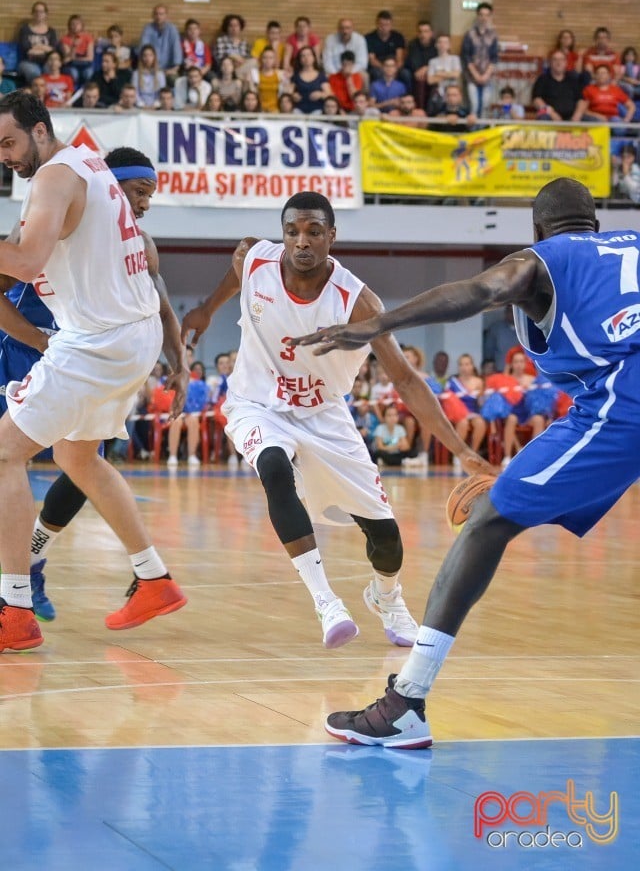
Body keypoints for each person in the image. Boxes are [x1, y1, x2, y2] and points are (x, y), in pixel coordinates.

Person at [295, 176, 640, 748]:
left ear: (536, 229)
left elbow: (481, 291)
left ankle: (407, 703)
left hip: (623, 399)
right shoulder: (630, 246)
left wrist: (380, 323)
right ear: (597, 223)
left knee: (488, 522)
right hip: (613, 396)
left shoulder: (541, 261)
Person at [181, 191, 493, 651]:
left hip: (325, 414)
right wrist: (206, 311)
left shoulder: (356, 300)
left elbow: (405, 380)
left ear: (332, 235)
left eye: (312, 232)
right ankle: (326, 601)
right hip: (256, 403)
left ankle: (386, 597)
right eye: (292, 231)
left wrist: (463, 450)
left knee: (385, 539)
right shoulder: (254, 257)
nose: (301, 242)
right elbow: (232, 278)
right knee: (273, 468)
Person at [0, 92, 188, 651]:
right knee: (75, 455)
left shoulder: (56, 176)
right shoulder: (89, 163)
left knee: (4, 452)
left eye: (9, 142)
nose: (5, 156)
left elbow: (28, 262)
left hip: (98, 341)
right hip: (130, 335)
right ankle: (153, 578)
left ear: (39, 131)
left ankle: (14, 610)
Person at [461, 2, 498, 117]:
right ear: (477, 16)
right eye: (481, 15)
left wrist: (486, 75)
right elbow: (466, 56)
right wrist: (476, 75)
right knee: (474, 105)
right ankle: (473, 132)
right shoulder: (469, 34)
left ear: (490, 17)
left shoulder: (493, 35)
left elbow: (494, 57)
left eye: (487, 15)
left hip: (488, 76)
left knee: (485, 106)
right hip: (472, 76)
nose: (484, 18)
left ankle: (483, 132)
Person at [139, 4, 182, 82]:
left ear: (166, 16)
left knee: (175, 80)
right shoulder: (147, 28)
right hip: (150, 68)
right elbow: (143, 49)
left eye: (161, 14)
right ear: (153, 16)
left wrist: (174, 69)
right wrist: (151, 69)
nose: (159, 17)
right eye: (156, 14)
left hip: (169, 69)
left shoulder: (172, 29)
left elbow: (177, 50)